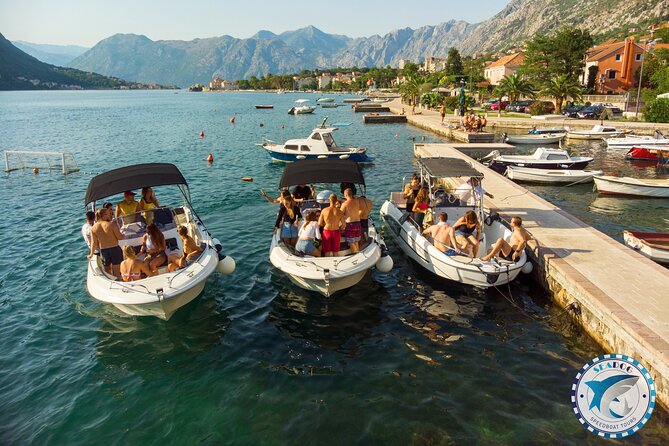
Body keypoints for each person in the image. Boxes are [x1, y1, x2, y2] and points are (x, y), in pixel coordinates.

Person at [89, 207, 124, 277]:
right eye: (109, 214)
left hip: (104, 251)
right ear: (104, 215)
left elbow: (93, 243)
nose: (110, 215)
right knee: (117, 272)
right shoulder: (112, 224)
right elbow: (120, 237)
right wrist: (122, 234)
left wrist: (91, 254)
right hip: (115, 250)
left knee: (108, 272)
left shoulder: (93, 228)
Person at [340, 188, 362, 254]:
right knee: (356, 241)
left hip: (350, 224)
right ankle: (358, 253)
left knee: (351, 241)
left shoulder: (344, 204)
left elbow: (340, 214)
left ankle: (356, 254)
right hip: (358, 222)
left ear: (346, 195)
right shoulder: (357, 201)